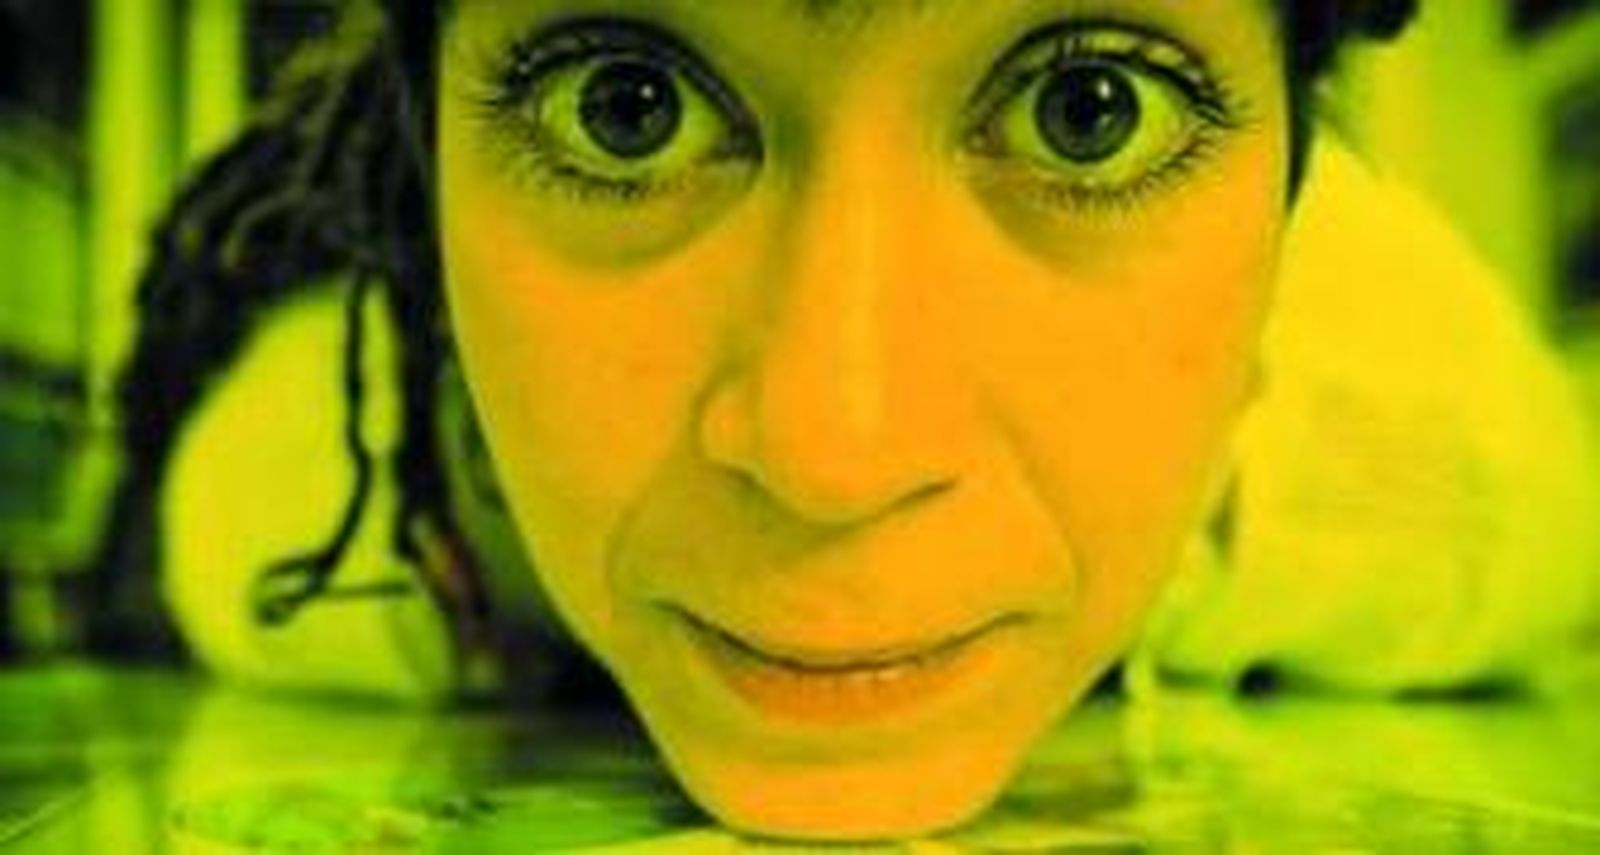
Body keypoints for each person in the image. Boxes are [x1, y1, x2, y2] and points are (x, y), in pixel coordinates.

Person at [89, 0, 1600, 841]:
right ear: (429, 183)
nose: (836, 455)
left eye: (1088, 109)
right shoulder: (308, 489)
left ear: (1283, 218)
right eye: (625, 105)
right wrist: (485, 545)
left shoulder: (1433, 417)